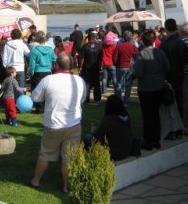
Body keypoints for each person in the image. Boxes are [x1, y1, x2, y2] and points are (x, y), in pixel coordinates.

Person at [29, 52, 87, 193]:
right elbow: (83, 99)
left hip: (53, 125)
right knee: (69, 157)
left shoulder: (48, 80)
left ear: (56, 65)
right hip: (73, 124)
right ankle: (66, 186)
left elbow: (35, 98)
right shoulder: (79, 80)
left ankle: (36, 180)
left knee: (45, 153)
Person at [133, 29, 170, 150]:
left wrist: (132, 70)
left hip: (146, 88)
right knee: (155, 114)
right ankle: (156, 139)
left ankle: (148, 140)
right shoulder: (160, 52)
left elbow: (138, 72)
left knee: (147, 115)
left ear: (142, 41)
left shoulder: (141, 54)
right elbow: (167, 67)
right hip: (158, 86)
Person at [85, 95, 133, 161]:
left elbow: (97, 136)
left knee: (88, 137)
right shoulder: (126, 116)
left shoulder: (110, 120)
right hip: (126, 151)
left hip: (114, 154)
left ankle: (90, 157)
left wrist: (94, 131)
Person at [159, 19, 188, 120]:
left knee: (169, 100)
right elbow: (186, 61)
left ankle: (172, 123)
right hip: (180, 75)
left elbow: (162, 63)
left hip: (169, 76)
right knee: (179, 100)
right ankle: (180, 120)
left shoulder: (164, 45)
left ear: (166, 29)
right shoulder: (182, 43)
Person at [29, 31, 57, 113]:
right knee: (47, 90)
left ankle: (40, 109)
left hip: (38, 72)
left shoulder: (35, 50)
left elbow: (32, 64)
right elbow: (54, 59)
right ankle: (46, 107)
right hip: (47, 71)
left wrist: (31, 73)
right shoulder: (50, 49)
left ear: (37, 39)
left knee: (38, 90)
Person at [112, 30, 139, 105]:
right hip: (129, 67)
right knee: (128, 85)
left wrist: (116, 64)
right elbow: (137, 56)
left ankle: (118, 101)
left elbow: (114, 57)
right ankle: (126, 102)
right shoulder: (133, 47)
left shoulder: (119, 46)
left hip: (120, 66)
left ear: (124, 37)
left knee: (119, 84)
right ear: (131, 38)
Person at [79, 29, 103, 102]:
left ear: (88, 38)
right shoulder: (99, 46)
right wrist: (101, 66)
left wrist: (80, 67)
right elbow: (101, 58)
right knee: (97, 84)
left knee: (87, 83)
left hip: (86, 68)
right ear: (94, 37)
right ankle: (97, 98)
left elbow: (82, 58)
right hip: (96, 67)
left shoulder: (85, 46)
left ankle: (86, 98)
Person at [101, 31, 117, 95]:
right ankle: (116, 90)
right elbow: (115, 55)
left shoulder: (102, 46)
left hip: (104, 63)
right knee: (114, 78)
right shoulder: (114, 46)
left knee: (104, 78)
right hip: (112, 63)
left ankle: (104, 91)